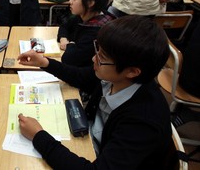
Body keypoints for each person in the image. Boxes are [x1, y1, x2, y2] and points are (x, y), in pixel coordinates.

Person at [17, 15, 178, 169]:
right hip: (90, 142)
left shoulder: (142, 121)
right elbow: (80, 77)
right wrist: (45, 63)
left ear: (132, 71)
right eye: (98, 50)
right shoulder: (116, 78)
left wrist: (38, 135)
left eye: (102, 57)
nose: (94, 59)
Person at [57, 0, 115, 67]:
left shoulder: (97, 31)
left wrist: (70, 46)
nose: (70, 1)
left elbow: (68, 59)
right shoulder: (84, 15)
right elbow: (65, 26)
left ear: (90, 3)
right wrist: (63, 39)